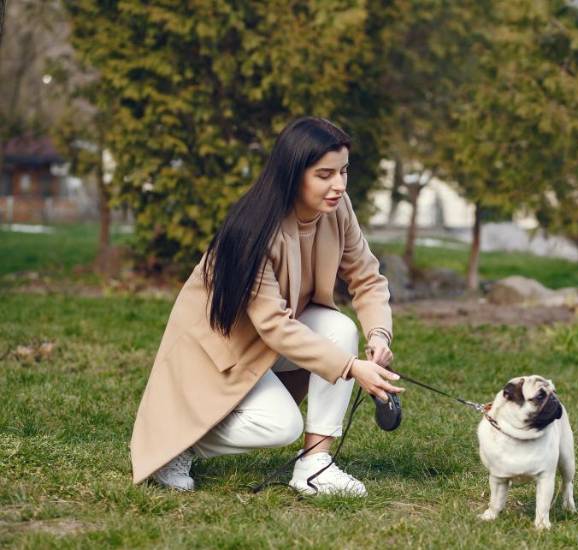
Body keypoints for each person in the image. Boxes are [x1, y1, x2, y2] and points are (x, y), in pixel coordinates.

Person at [130, 116, 403, 496]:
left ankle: (315, 465)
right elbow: (273, 323)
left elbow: (367, 277)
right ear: (294, 173)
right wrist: (350, 368)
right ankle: (178, 443)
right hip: (225, 348)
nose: (338, 185)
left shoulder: (337, 209)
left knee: (340, 329)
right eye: (324, 174)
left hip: (274, 340)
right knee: (280, 426)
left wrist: (378, 333)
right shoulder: (252, 230)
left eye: (344, 171)